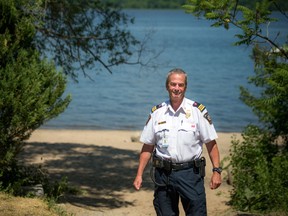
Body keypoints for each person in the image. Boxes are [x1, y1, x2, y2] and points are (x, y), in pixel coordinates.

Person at [133, 68, 222, 216]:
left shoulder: (197, 111)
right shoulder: (157, 112)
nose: (177, 88)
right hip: (163, 175)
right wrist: (139, 174)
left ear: (185, 87)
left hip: (190, 174)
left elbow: (211, 143)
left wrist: (216, 171)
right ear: (167, 86)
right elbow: (148, 146)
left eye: (180, 85)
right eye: (173, 84)